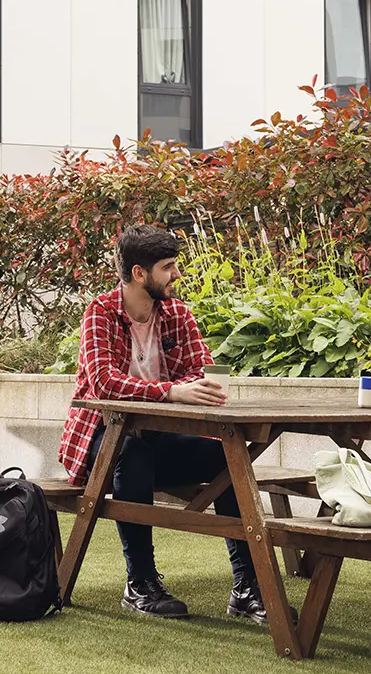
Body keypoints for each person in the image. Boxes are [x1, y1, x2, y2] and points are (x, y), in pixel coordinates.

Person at [57, 225, 277, 623]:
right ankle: (140, 582)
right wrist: (170, 393)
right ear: (140, 273)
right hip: (99, 441)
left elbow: (201, 372)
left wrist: (180, 388)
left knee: (229, 457)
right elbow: (103, 381)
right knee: (133, 453)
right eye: (168, 267)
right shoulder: (101, 312)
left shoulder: (177, 313)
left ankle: (247, 587)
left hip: (161, 439)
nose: (177, 275)